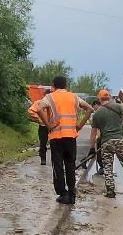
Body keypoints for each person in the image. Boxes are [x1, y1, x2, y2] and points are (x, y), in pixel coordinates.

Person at [31, 76, 92, 204]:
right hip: (71, 136)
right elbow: (89, 109)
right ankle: (72, 194)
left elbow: (39, 108)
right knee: (70, 165)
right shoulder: (74, 97)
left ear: (53, 84)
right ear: (66, 85)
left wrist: (48, 125)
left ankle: (62, 194)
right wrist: (80, 125)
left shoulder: (50, 97)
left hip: (57, 136)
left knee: (58, 166)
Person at [88, 88, 123, 199]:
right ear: (109, 97)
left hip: (106, 143)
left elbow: (93, 133)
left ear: (99, 99)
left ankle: (110, 192)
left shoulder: (96, 114)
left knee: (107, 168)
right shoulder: (118, 106)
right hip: (120, 140)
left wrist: (91, 148)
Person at [26, 84, 52, 165]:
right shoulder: (39, 103)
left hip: (53, 127)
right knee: (43, 143)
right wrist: (39, 119)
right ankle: (43, 158)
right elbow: (31, 111)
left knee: (55, 143)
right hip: (43, 126)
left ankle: (55, 159)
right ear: (44, 95)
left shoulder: (54, 104)